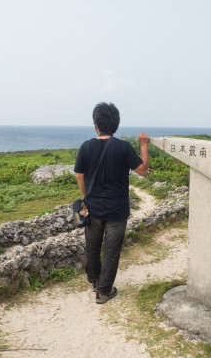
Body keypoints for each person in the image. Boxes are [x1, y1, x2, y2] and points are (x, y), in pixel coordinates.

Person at [74, 102, 150, 304]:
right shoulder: (123, 148)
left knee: (92, 246)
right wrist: (143, 145)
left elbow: (79, 175)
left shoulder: (86, 146)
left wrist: (87, 196)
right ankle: (104, 291)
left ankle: (95, 281)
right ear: (115, 124)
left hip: (93, 209)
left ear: (96, 124)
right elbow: (142, 170)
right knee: (111, 251)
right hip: (117, 210)